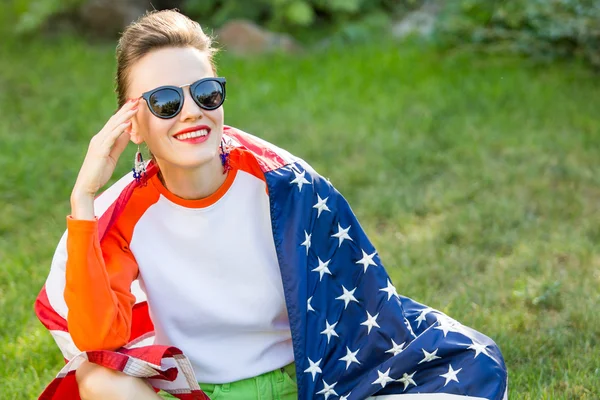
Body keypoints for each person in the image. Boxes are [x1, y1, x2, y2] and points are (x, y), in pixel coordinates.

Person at [35, 9, 508, 400]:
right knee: (98, 380)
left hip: (305, 383)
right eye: (164, 103)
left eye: (204, 92)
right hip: (200, 392)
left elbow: (356, 310)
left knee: (472, 364)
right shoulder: (123, 211)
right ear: (132, 126)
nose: (192, 112)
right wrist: (83, 200)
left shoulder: (282, 185)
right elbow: (100, 340)